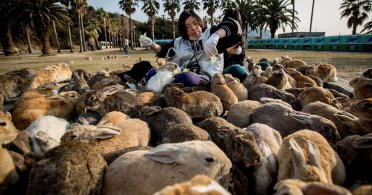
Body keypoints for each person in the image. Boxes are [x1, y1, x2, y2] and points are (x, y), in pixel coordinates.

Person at [139, 9, 243, 87]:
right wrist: (151, 44)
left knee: (186, 78)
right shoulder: (179, 41)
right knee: (152, 72)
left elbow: (234, 26)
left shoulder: (210, 33)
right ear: (184, 30)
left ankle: (163, 85)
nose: (193, 28)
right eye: (188, 26)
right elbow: (162, 51)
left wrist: (216, 36)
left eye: (195, 23)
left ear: (200, 22)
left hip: (206, 77)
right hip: (178, 73)